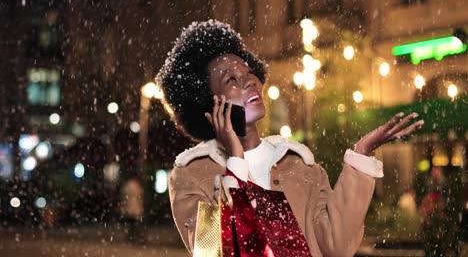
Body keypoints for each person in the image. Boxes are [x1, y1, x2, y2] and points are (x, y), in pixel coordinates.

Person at [157, 20, 424, 256]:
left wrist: (362, 155)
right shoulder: (192, 174)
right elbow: (212, 251)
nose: (249, 81)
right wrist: (236, 161)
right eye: (232, 80)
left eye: (249, 73)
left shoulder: (299, 164)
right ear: (208, 105)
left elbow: (337, 246)